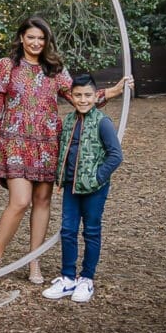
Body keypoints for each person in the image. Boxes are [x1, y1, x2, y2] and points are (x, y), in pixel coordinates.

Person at [0, 16, 130, 284]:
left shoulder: (55, 69)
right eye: (31, 37)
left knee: (42, 202)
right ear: (21, 38)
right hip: (15, 140)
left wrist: (111, 92)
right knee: (19, 202)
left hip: (49, 142)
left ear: (47, 41)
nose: (36, 43)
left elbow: (78, 96)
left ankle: (33, 262)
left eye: (41, 38)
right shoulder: (7, 65)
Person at [42, 73, 123, 302]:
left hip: (94, 189)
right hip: (70, 187)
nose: (83, 100)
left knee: (91, 231)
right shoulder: (68, 121)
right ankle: (68, 278)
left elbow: (115, 155)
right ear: (72, 97)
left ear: (96, 97)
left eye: (88, 95)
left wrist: (97, 178)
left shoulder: (102, 122)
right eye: (78, 95)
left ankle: (86, 278)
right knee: (68, 231)